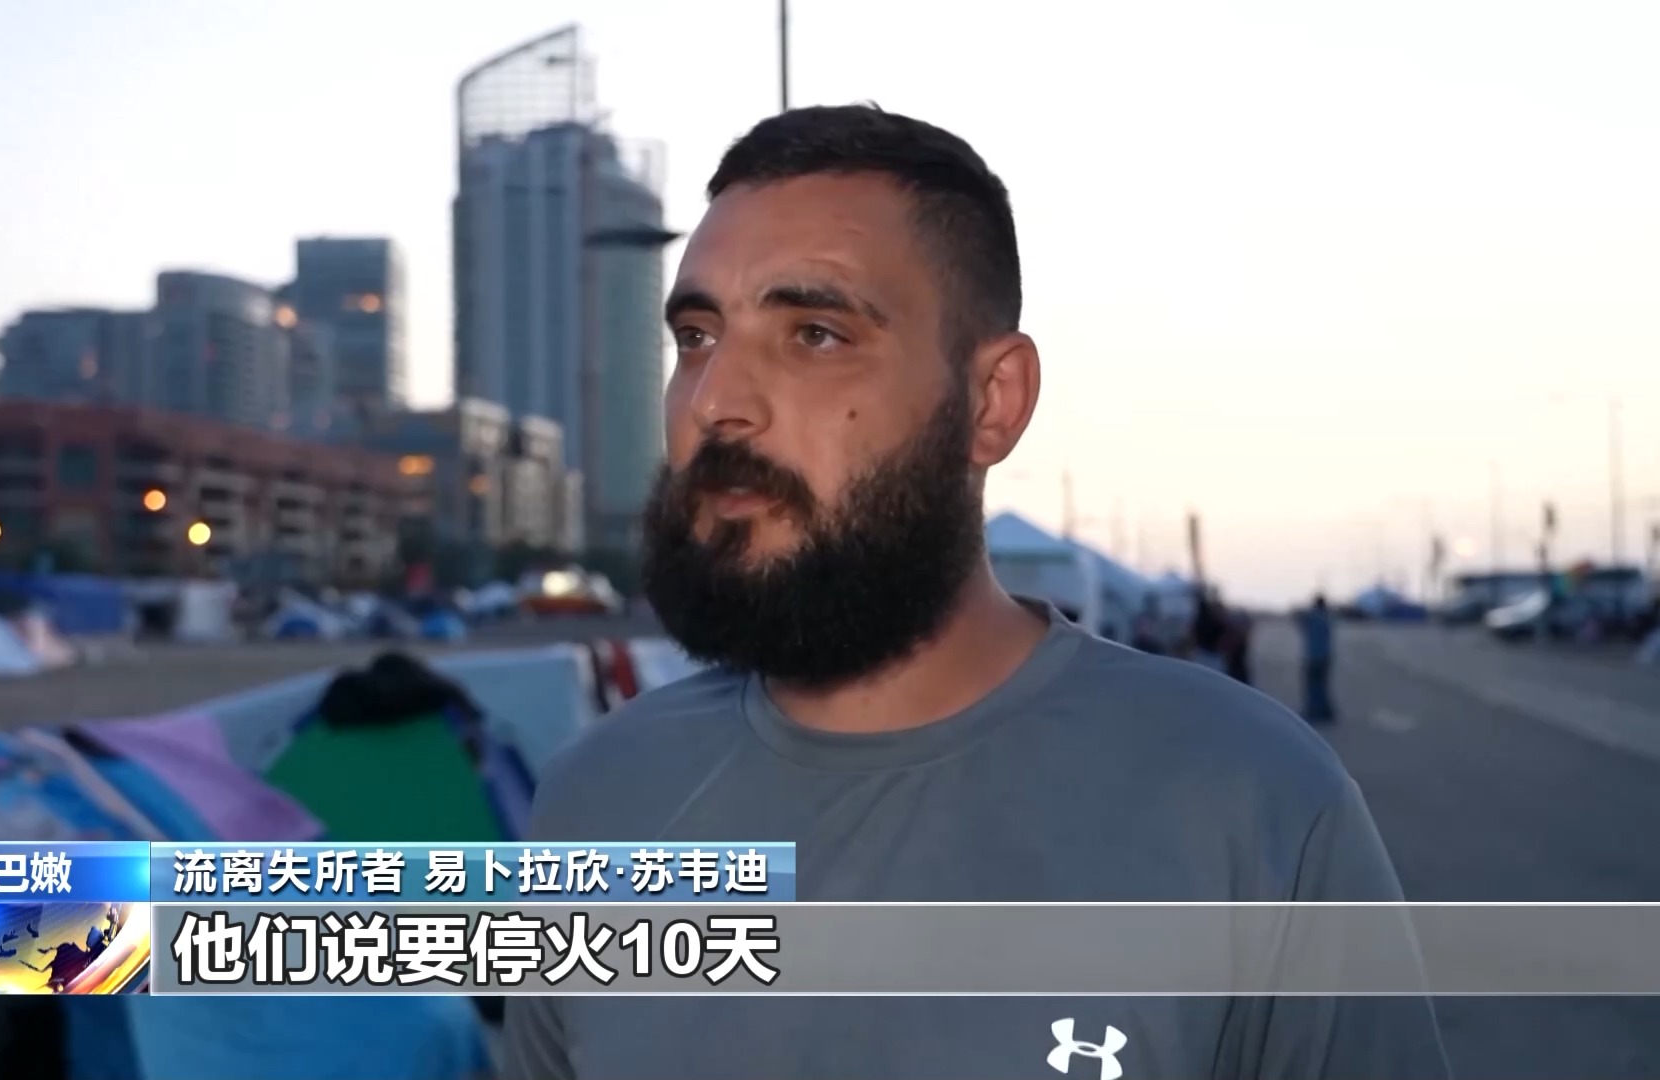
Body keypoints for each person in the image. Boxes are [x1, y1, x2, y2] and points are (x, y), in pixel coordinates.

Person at [503, 105, 1446, 1080]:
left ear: (993, 402)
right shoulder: (594, 808)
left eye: (815, 334)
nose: (714, 403)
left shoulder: (1249, 803)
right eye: (697, 337)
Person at [1297, 593, 1337, 721]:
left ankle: (1314, 710)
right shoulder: (1327, 618)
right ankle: (1324, 711)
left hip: (1313, 656)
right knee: (1322, 685)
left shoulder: (1313, 617)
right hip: (1325, 656)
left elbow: (1299, 620)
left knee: (1313, 686)